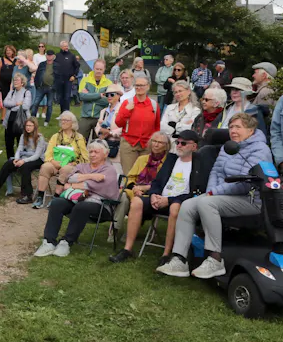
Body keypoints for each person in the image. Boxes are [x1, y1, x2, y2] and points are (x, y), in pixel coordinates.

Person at [158, 113, 273, 278]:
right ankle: (180, 259)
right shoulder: (229, 146)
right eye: (231, 127)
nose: (233, 130)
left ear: (251, 130)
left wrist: (213, 193)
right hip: (222, 195)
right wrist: (211, 191)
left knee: (206, 203)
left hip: (249, 198)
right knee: (188, 204)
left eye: (238, 127)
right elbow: (216, 171)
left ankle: (215, 259)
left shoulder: (260, 149)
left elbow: (246, 182)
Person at [109, 129, 202, 264]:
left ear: (194, 146)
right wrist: (153, 195)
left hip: (178, 201)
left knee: (175, 207)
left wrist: (168, 200)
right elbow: (157, 182)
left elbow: (196, 191)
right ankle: (127, 249)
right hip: (159, 198)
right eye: (178, 142)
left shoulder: (199, 164)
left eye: (183, 143)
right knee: (136, 202)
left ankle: (166, 254)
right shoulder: (172, 159)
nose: (179, 146)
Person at [33, 140, 119, 258]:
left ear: (105, 154)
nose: (92, 154)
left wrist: (76, 184)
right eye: (91, 152)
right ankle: (49, 242)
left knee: (81, 207)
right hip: (77, 199)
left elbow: (96, 186)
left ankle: (66, 242)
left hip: (102, 205)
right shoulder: (82, 166)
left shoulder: (109, 170)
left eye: (96, 152)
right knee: (57, 203)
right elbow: (69, 178)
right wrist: (91, 176)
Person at [112, 131, 170, 232]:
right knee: (124, 197)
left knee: (138, 201)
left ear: (166, 146)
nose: (156, 145)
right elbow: (130, 178)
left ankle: (129, 232)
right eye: (154, 141)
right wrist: (135, 188)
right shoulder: (142, 159)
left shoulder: (168, 163)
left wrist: (144, 188)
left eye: (160, 142)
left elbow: (164, 183)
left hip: (154, 195)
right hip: (135, 191)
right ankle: (115, 230)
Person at [32, 111, 89, 208]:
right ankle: (40, 197)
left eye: (66, 120)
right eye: (62, 120)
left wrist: (74, 163)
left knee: (65, 169)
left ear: (72, 123)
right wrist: (53, 161)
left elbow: (85, 158)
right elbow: (48, 154)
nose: (63, 122)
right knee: (45, 167)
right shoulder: (56, 136)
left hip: (71, 165)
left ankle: (56, 198)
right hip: (55, 162)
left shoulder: (79, 138)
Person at [0, 117, 46, 203]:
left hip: (38, 159)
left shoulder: (40, 138)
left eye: (30, 126)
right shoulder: (23, 136)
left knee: (25, 167)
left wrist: (23, 161)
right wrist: (16, 159)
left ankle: (27, 195)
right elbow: (19, 149)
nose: (28, 127)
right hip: (25, 157)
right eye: (27, 125)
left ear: (35, 127)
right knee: (8, 164)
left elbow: (37, 155)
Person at [115, 76, 161, 176]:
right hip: (129, 144)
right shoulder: (127, 102)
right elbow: (118, 123)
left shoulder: (154, 105)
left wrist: (155, 144)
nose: (139, 88)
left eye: (141, 85)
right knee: (129, 175)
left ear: (148, 86)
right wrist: (127, 110)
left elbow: (157, 127)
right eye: (136, 85)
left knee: (144, 176)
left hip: (147, 145)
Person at [160, 80, 201, 150]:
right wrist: (181, 127)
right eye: (175, 92)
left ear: (188, 91)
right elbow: (162, 126)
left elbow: (191, 129)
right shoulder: (170, 108)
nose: (178, 94)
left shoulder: (195, 110)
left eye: (180, 91)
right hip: (168, 146)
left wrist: (175, 125)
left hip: (184, 148)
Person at [78, 59, 113, 138]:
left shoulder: (109, 83)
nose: (99, 71)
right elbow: (82, 96)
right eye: (97, 69)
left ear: (104, 69)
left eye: (101, 69)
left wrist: (89, 96)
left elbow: (108, 101)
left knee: (98, 142)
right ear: (93, 68)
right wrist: (100, 95)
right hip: (85, 116)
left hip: (100, 118)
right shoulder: (85, 80)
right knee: (81, 140)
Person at [2, 72, 33, 159]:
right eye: (14, 80)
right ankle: (10, 161)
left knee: (21, 142)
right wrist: (16, 103)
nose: (15, 82)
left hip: (21, 120)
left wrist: (12, 106)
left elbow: (25, 106)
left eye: (17, 80)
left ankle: (21, 160)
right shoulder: (11, 92)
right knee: (9, 143)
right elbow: (5, 103)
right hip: (10, 120)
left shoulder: (26, 93)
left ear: (22, 82)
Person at [95, 84, 124, 160]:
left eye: (112, 94)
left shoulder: (123, 110)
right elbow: (97, 126)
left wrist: (110, 133)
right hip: (104, 145)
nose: (109, 97)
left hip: (117, 146)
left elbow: (126, 128)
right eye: (107, 95)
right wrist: (100, 131)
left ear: (118, 96)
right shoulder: (103, 111)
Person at [52, 40, 78, 113]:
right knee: (60, 97)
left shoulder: (72, 56)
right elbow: (53, 66)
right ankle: (62, 113)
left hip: (68, 80)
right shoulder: (57, 56)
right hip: (59, 80)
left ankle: (66, 113)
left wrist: (74, 75)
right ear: (61, 47)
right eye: (64, 46)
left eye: (67, 46)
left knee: (67, 97)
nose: (66, 47)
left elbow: (77, 66)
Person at [32, 49, 56, 122]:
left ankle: (47, 121)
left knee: (49, 105)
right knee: (35, 103)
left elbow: (59, 77)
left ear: (53, 56)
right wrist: (37, 85)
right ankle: (32, 119)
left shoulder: (57, 65)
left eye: (50, 55)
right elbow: (37, 75)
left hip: (51, 88)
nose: (49, 57)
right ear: (46, 56)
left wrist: (55, 87)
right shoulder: (42, 64)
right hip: (41, 87)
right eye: (48, 55)